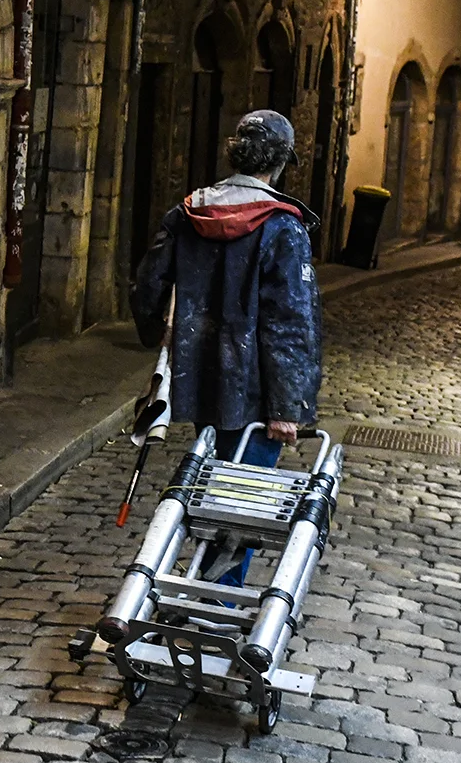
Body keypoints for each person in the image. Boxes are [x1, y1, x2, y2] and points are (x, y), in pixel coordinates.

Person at [131, 110, 323, 580]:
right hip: (255, 388)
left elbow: (147, 286)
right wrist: (288, 406)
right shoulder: (281, 227)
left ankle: (197, 583)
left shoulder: (190, 211)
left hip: (200, 377)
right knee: (242, 500)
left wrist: (158, 334)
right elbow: (290, 322)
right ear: (278, 164)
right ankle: (213, 598)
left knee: (213, 479)